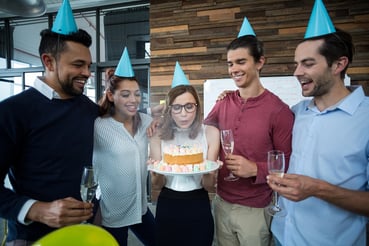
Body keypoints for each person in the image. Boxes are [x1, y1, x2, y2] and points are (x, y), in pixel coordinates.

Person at [267, 27, 369, 246]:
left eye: (308, 63)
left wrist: (318, 189)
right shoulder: (295, 113)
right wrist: (234, 97)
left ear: (338, 65)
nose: (296, 72)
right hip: (281, 238)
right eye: (297, 63)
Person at [0, 26, 99, 244]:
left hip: (84, 234)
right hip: (32, 238)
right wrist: (36, 210)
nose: (87, 73)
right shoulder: (11, 112)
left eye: (88, 66)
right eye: (78, 64)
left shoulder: (89, 108)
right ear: (49, 62)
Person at [203, 21, 294, 245]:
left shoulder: (279, 110)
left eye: (241, 62)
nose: (234, 69)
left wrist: (254, 169)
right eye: (230, 63)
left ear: (260, 62)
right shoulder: (224, 102)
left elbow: (288, 161)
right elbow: (208, 125)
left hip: (256, 208)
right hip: (221, 202)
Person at [149, 81, 220, 245]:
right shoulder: (158, 135)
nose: (183, 113)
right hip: (168, 203)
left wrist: (211, 173)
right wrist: (155, 173)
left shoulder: (210, 133)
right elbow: (157, 184)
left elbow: (209, 186)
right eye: (177, 107)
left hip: (198, 204)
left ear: (197, 107)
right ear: (169, 109)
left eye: (189, 106)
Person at [93, 64, 156, 246]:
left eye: (137, 94)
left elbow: (171, 119)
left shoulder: (145, 121)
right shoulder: (99, 126)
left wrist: (158, 121)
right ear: (111, 96)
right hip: (112, 213)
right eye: (126, 94)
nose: (134, 99)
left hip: (140, 208)